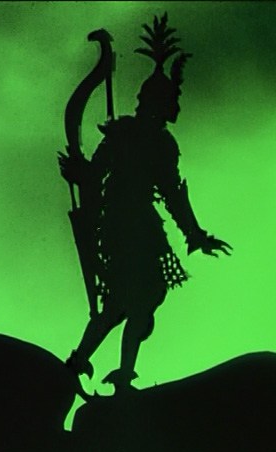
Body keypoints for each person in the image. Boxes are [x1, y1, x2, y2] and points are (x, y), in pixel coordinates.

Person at [60, 13, 231, 393]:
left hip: (128, 226)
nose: (176, 104)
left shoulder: (131, 134)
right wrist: (195, 234)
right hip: (130, 227)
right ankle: (107, 369)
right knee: (136, 299)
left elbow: (100, 175)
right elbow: (168, 193)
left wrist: (196, 234)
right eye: (173, 98)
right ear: (160, 102)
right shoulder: (150, 140)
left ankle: (87, 364)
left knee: (126, 302)